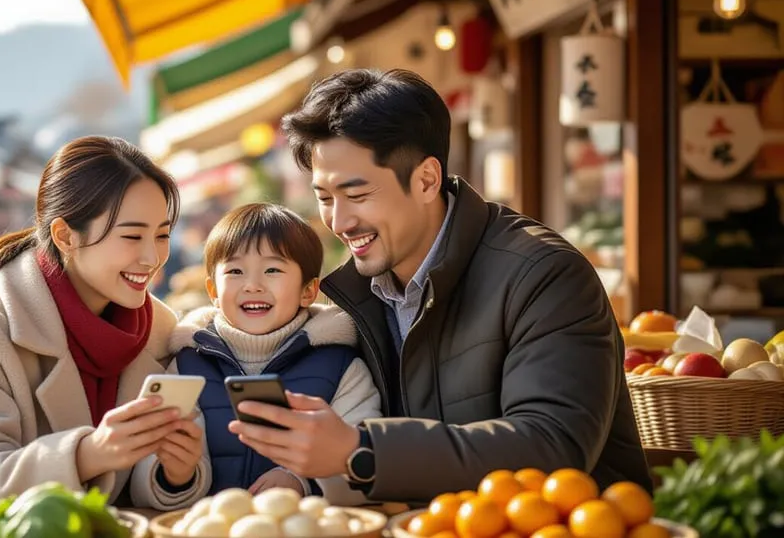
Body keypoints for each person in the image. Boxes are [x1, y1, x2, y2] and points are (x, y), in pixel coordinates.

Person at [226, 69, 653, 503]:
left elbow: (553, 445)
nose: (338, 221)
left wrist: (361, 451)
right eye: (324, 197)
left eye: (356, 195)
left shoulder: (545, 275)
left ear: (427, 180)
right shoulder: (356, 296)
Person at [0, 136, 206, 538]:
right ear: (66, 236)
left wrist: (175, 474)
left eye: (162, 235)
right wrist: (89, 454)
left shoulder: (160, 329)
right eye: (132, 236)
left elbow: (137, 485)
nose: (152, 257)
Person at [131, 203, 380, 510]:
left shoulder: (341, 367)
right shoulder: (186, 366)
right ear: (212, 290)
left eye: (272, 270)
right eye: (235, 271)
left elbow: (367, 461)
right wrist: (177, 474)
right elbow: (147, 465)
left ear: (308, 291)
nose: (252, 285)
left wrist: (303, 481)